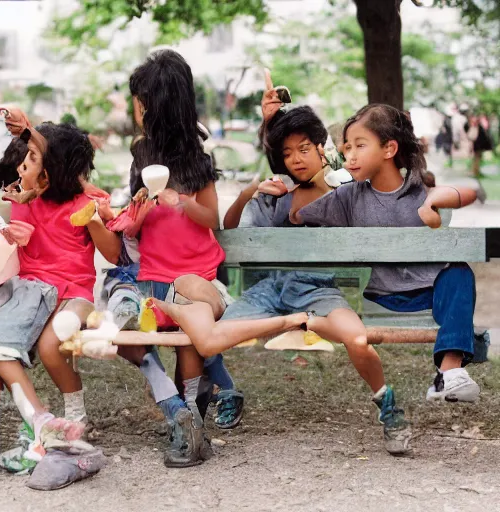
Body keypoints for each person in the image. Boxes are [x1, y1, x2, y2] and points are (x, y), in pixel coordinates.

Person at [199, 99, 413, 455]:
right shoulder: (277, 196)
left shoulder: (345, 189)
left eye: (303, 149)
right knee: (206, 339)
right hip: (270, 291)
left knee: (357, 339)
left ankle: (388, 407)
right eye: (287, 153)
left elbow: (379, 187)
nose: (296, 159)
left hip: (317, 290)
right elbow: (233, 231)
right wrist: (249, 193)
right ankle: (224, 393)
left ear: (321, 148)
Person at [0, 121, 119, 490]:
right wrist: (13, 235)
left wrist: (95, 221)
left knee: (50, 346)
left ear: (51, 172)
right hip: (30, 293)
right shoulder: (24, 202)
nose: (21, 166)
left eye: (31, 159)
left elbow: (111, 253)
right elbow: (22, 253)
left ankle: (73, 413)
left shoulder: (86, 202)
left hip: (74, 293)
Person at [295, 103, 480, 403]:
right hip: (383, 297)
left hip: (431, 294)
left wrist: (434, 200)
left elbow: (471, 191)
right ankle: (448, 376)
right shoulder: (347, 197)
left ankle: (449, 374)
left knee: (459, 272)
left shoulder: (420, 188)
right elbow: (298, 216)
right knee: (459, 271)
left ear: (389, 149)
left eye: (359, 146)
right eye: (347, 148)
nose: (349, 156)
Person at [118, 49, 228, 468]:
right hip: (153, 271)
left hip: (194, 271)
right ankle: (182, 409)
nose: (135, 107)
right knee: (125, 335)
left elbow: (211, 217)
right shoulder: (142, 154)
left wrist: (181, 201)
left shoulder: (198, 158)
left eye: (139, 99)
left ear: (154, 105)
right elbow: (134, 217)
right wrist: (136, 213)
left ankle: (189, 417)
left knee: (187, 338)